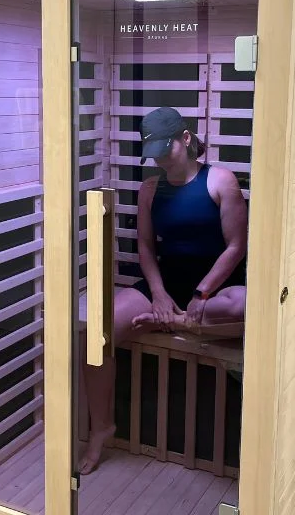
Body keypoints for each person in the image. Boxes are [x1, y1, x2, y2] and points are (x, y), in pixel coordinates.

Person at [79, 106, 249, 474]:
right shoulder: (150, 189)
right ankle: (101, 427)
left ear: (185, 139)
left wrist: (202, 294)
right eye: (151, 150)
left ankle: (182, 322)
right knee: (98, 334)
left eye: (163, 148)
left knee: (244, 308)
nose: (157, 157)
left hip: (216, 287)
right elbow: (145, 246)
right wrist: (157, 293)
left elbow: (236, 246)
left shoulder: (220, 181)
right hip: (168, 282)